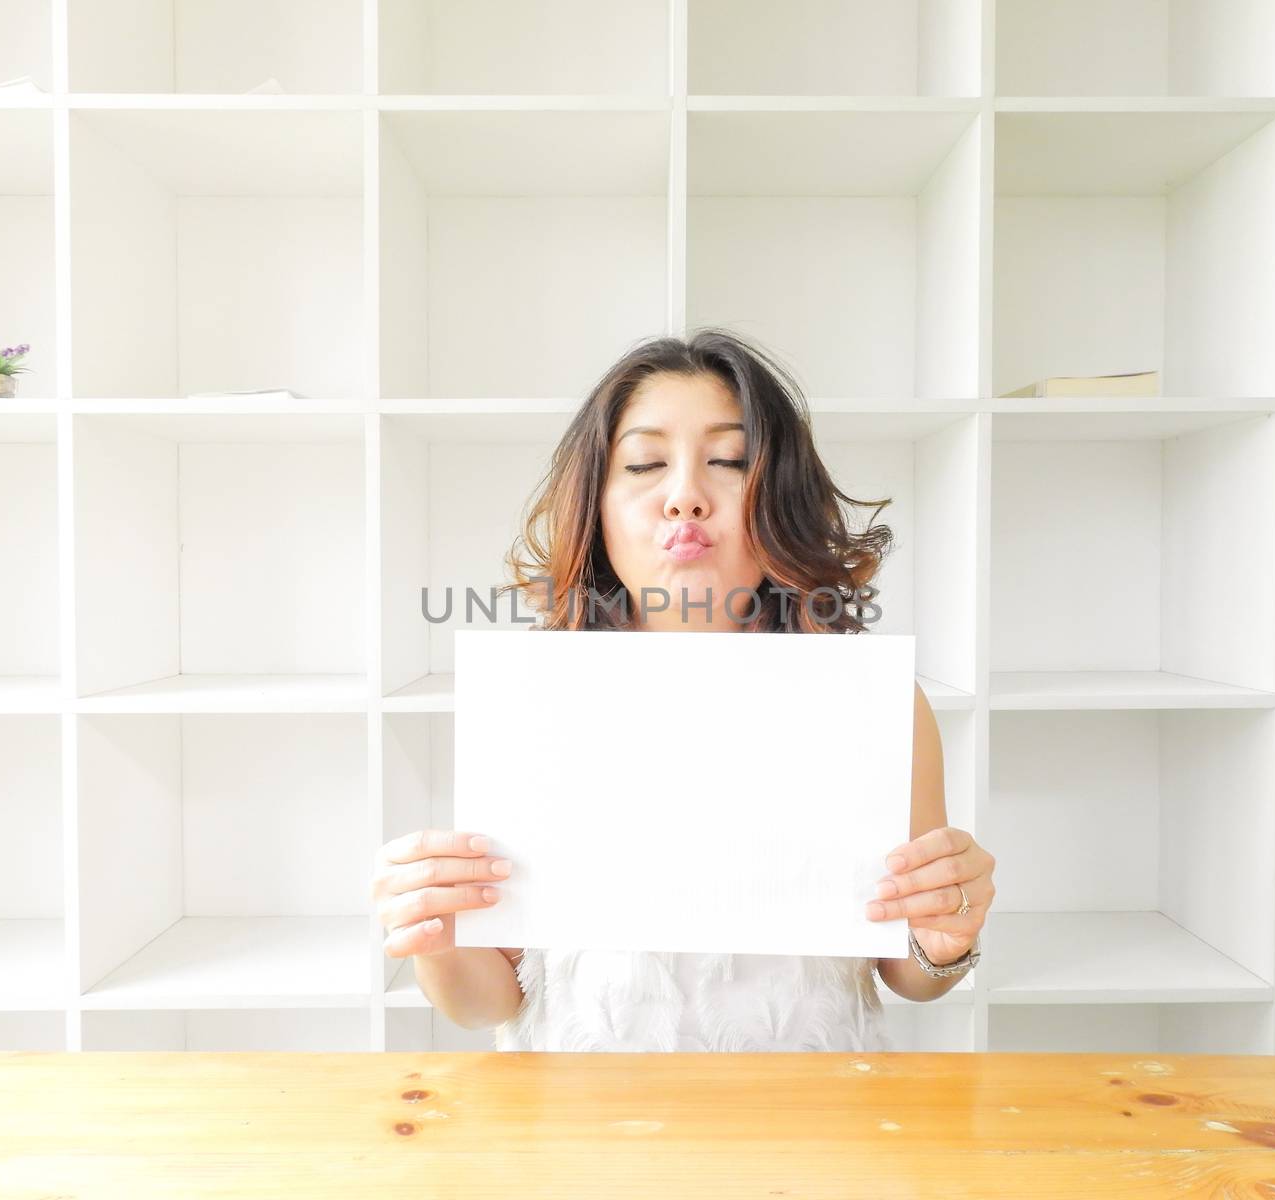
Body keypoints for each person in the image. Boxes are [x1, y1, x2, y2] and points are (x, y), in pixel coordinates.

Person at [371, 328, 997, 1051]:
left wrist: (945, 933)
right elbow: (489, 1003)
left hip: (817, 1127)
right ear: (596, 505)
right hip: (581, 1131)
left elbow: (909, 972)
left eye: (728, 461)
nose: (685, 498)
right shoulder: (534, 702)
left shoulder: (872, 706)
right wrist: (433, 934)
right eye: (644, 463)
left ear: (779, 498)